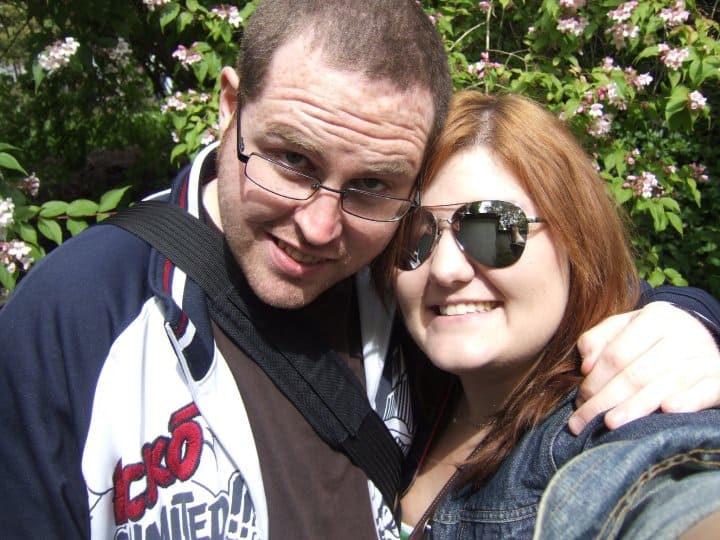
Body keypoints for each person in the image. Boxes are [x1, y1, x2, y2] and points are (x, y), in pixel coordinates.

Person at [0, 1, 718, 538]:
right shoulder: (75, 316)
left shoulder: (399, 293)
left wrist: (689, 322)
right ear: (229, 107)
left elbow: (652, 481)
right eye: (291, 160)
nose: (319, 228)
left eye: (374, 186)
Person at [390, 90, 720, 539]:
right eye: (416, 234)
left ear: (575, 239)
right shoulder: (395, 378)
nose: (445, 269)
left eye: (492, 229)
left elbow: (667, 487)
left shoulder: (614, 410)